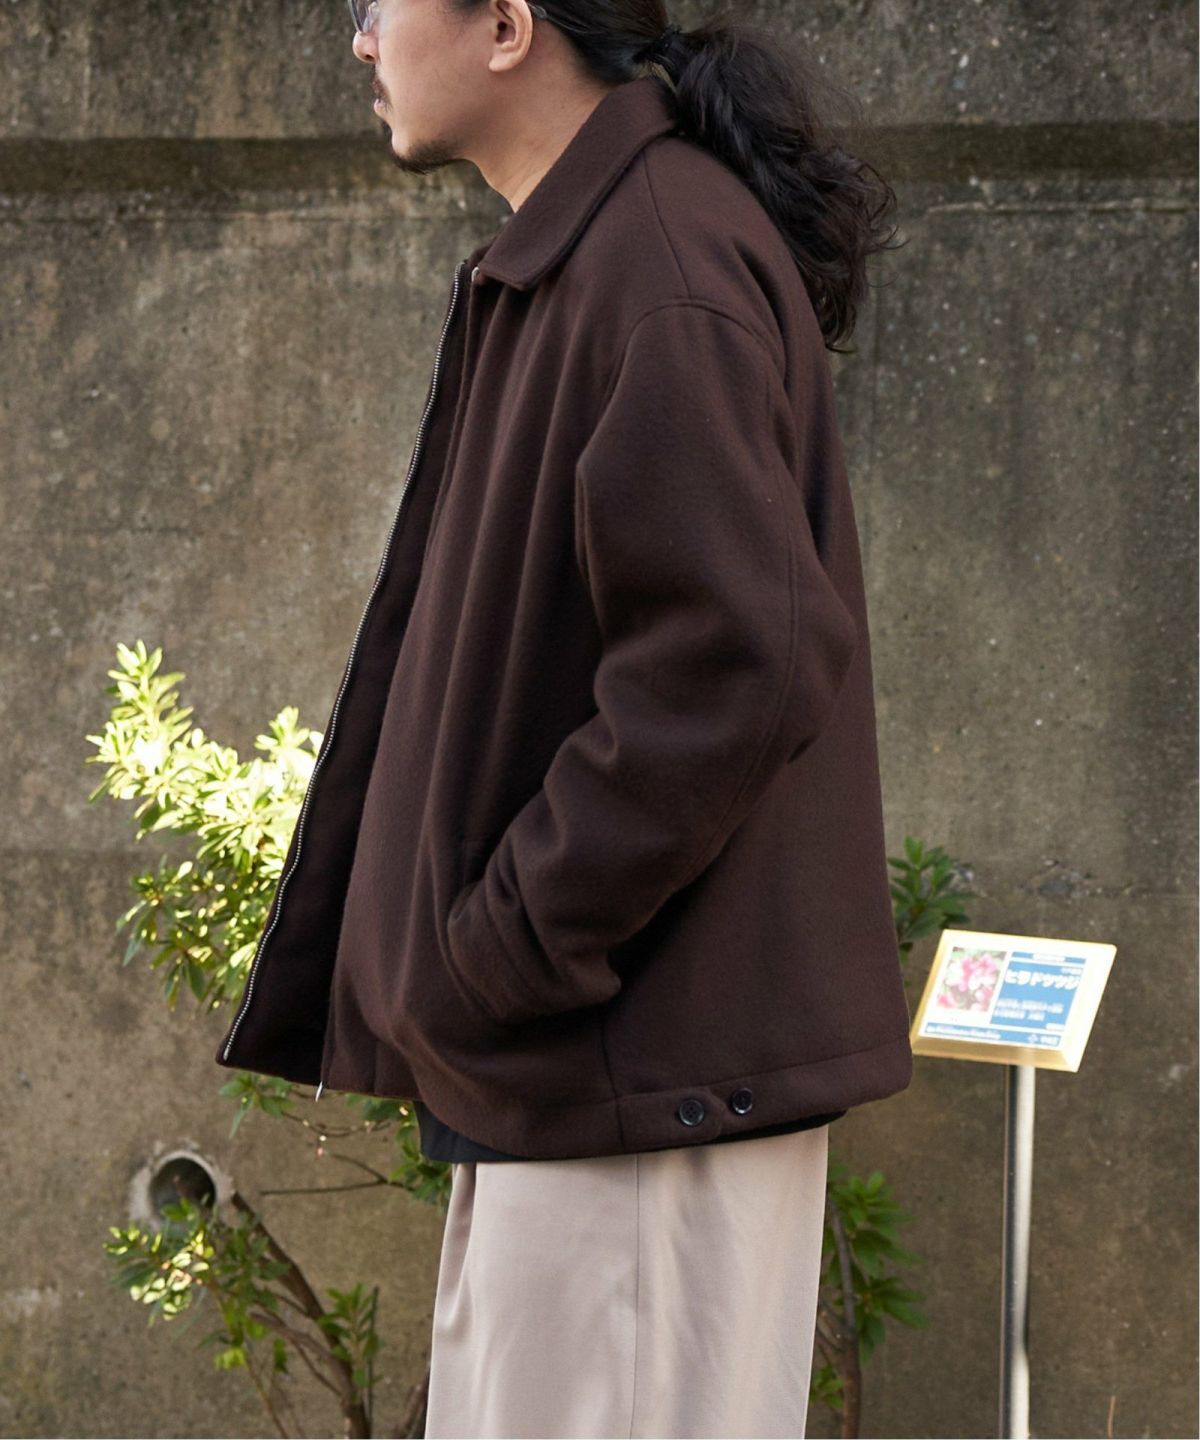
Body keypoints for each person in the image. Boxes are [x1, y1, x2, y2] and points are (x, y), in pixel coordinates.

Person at [217, 3, 912, 1436]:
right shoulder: (597, 252)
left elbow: (739, 659)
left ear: (506, 25)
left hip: (630, 1095)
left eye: (383, 1)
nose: (361, 40)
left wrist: (503, 951)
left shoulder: (655, 260)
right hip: (592, 1090)